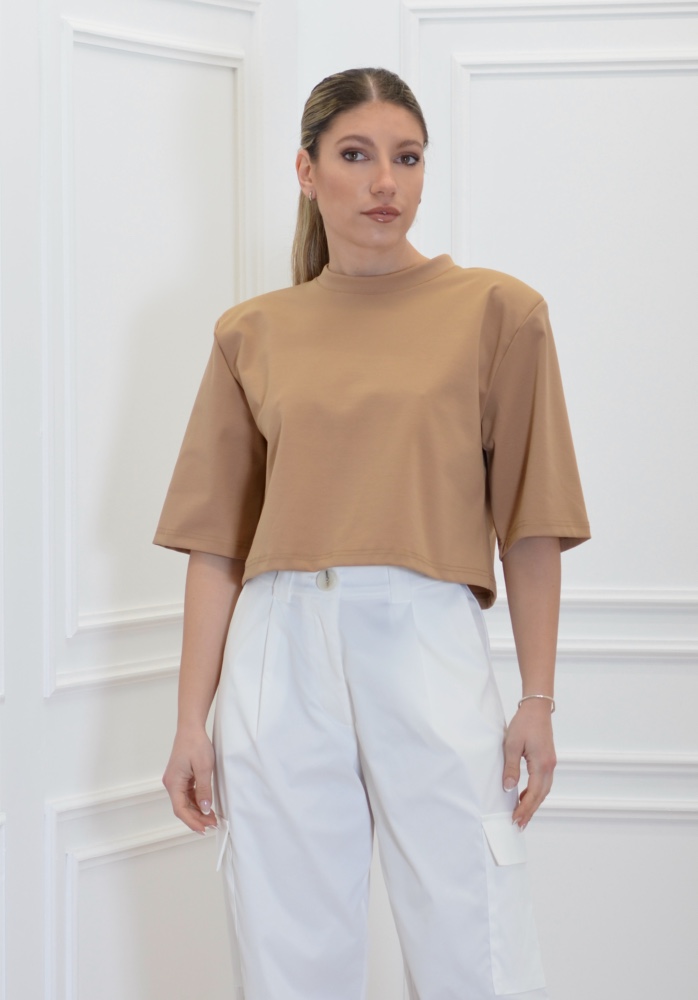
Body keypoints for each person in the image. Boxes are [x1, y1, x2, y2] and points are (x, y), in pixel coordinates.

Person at [155, 67, 590, 1000]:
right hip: (277, 645)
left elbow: (533, 523)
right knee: (286, 942)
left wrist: (538, 698)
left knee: (474, 931)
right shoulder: (251, 332)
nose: (385, 181)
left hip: (427, 633)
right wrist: (191, 720)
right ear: (306, 171)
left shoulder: (499, 313)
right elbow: (216, 545)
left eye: (408, 157)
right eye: (355, 155)